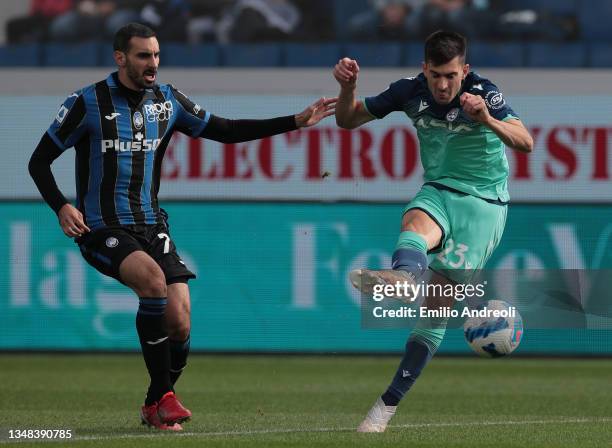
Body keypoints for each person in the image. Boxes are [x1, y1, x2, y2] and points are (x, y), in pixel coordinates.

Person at [28, 22, 336, 431]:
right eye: (143, 56)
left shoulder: (167, 100)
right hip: (101, 227)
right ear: (121, 58)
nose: (152, 63)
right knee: (153, 282)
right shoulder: (87, 102)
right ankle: (166, 398)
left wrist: (293, 121)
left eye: (156, 54)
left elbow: (224, 130)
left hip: (151, 224)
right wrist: (60, 206)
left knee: (180, 320)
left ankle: (154, 404)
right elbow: (39, 161)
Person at [333, 30, 533, 432]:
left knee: (435, 312)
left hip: (485, 207)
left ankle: (386, 406)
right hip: (440, 189)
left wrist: (487, 119)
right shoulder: (408, 90)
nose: (443, 85)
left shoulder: (484, 93)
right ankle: (406, 277)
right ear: (424, 69)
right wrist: (348, 88)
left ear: (465, 70)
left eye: (451, 76)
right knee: (413, 222)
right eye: (436, 75)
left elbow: (525, 142)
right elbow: (348, 119)